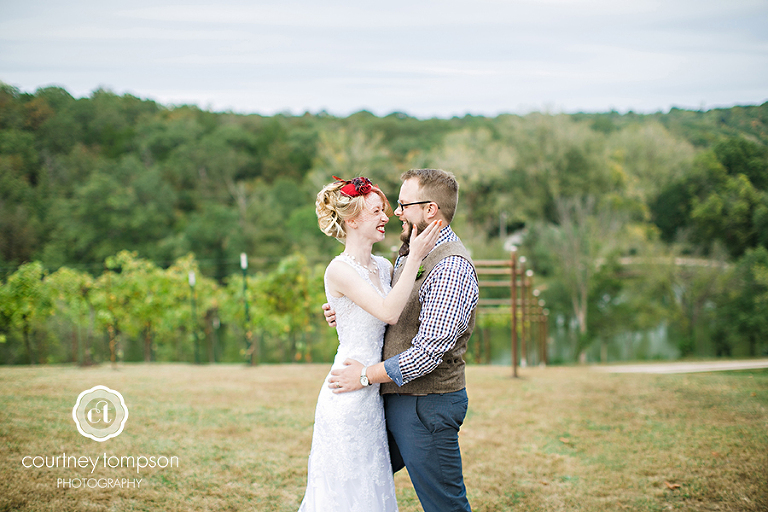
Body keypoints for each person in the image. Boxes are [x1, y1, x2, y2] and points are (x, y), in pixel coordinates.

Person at [325, 168, 479, 512]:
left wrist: (364, 375)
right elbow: (389, 307)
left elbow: (427, 353)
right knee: (355, 482)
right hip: (392, 398)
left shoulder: (451, 266)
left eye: (402, 204)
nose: (395, 212)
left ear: (430, 210)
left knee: (445, 506)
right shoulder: (408, 253)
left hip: (426, 403)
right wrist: (345, 310)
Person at [298, 175, 441, 512]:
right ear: (352, 220)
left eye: (386, 210)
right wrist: (417, 257)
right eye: (377, 210)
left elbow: (392, 313)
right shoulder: (339, 270)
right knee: (344, 486)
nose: (386, 217)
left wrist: (340, 313)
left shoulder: (382, 265)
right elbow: (389, 312)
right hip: (347, 389)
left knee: (370, 481)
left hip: (373, 387)